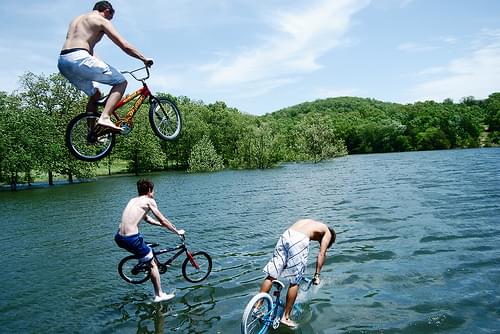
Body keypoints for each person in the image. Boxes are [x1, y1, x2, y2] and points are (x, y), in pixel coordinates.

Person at [58, 1, 153, 132]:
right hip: (79, 58)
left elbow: (86, 49)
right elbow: (124, 45)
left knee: (95, 94)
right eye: (110, 17)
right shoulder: (101, 20)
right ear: (107, 10)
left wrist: (104, 65)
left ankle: (92, 131)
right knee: (121, 81)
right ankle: (105, 117)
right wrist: (144, 59)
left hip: (63, 61)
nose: (110, 20)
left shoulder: (76, 20)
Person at [115, 179, 184, 302]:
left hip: (119, 238)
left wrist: (160, 225)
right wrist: (176, 231)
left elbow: (147, 219)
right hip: (131, 239)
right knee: (152, 264)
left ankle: (148, 261)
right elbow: (163, 219)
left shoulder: (133, 200)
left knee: (148, 250)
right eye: (153, 190)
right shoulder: (149, 201)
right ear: (149, 191)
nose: (154, 193)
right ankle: (159, 295)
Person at [259, 219, 336, 328]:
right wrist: (317, 275)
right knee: (295, 282)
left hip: (286, 235)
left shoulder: (311, 223)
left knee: (271, 276)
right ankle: (285, 317)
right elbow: (322, 254)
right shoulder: (327, 233)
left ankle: (257, 308)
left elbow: (291, 241)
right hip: (299, 240)